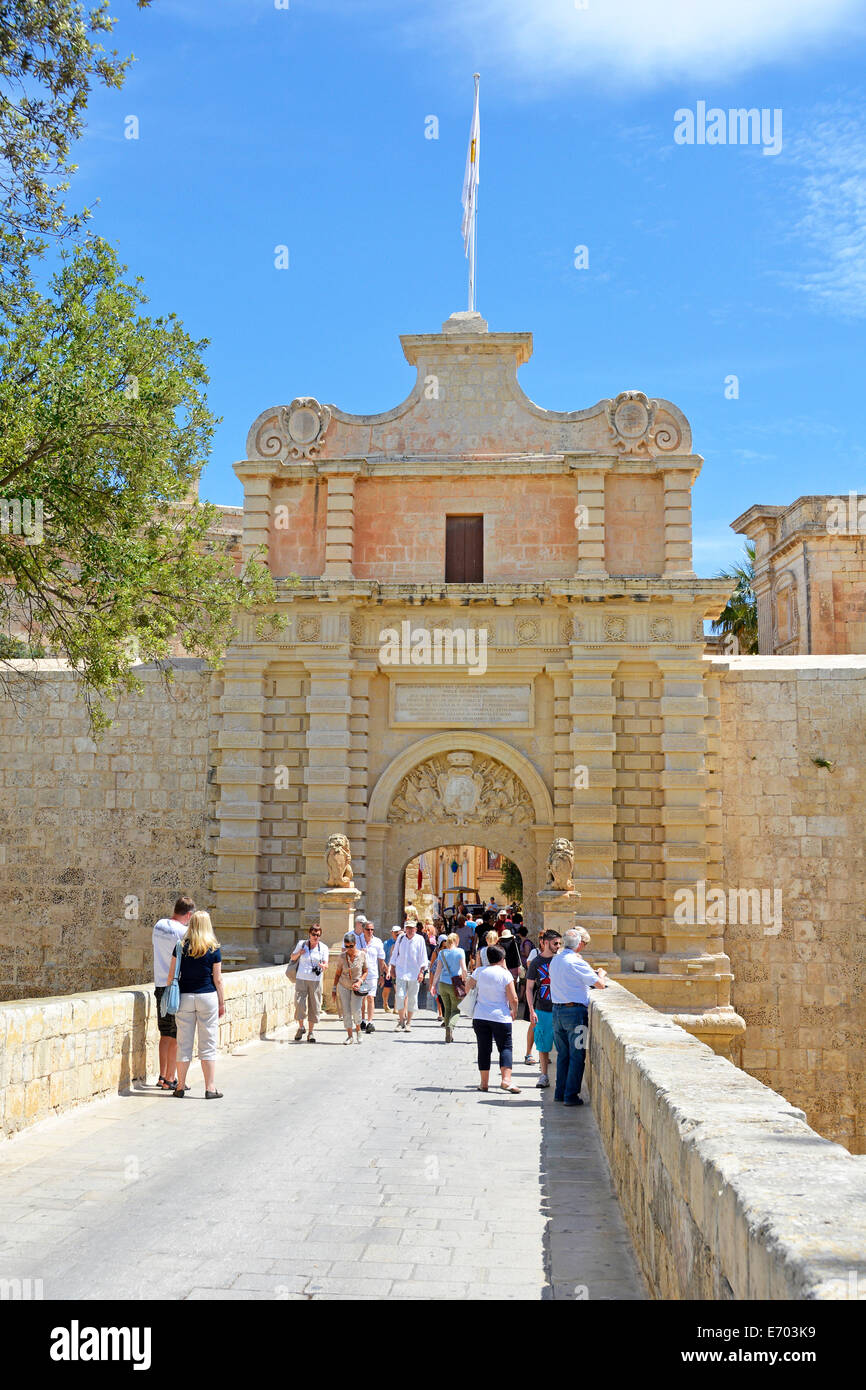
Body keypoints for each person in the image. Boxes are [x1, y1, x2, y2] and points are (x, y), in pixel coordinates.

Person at [168, 909, 225, 1099]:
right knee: (208, 1043)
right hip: (207, 997)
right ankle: (210, 1088)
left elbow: (171, 976)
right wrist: (221, 1002)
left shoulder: (180, 946)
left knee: (184, 1043)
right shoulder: (213, 948)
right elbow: (218, 980)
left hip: (184, 997)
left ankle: (180, 1086)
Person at [548, 927, 608, 1106]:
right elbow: (599, 985)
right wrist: (602, 975)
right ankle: (571, 1095)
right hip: (575, 1014)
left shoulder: (555, 960)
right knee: (577, 1055)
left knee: (563, 1055)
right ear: (579, 945)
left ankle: (560, 1092)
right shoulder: (576, 962)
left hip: (557, 1012)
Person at [151, 895, 195, 1090]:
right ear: (189, 914)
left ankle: (162, 1076)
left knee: (164, 1034)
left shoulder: (159, 925)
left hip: (160, 984)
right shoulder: (183, 932)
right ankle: (170, 1078)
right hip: (175, 987)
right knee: (176, 1034)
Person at [467, 945, 519, 1093]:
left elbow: (467, 989)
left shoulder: (479, 972)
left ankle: (484, 1083)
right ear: (502, 958)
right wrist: (514, 1010)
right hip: (500, 1016)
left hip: (480, 1015)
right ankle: (506, 1080)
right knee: (505, 1047)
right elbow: (513, 997)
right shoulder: (505, 974)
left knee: (483, 1049)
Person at [525, 930, 561, 1086]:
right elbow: (529, 988)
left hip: (560, 1008)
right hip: (543, 1008)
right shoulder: (536, 962)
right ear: (546, 943)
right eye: (555, 943)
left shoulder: (560, 960)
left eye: (560, 943)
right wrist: (531, 1010)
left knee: (562, 1046)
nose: (558, 946)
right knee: (543, 1044)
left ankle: (560, 1078)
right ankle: (544, 1075)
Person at [387, 918, 429, 1032]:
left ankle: (409, 1022)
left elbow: (423, 957)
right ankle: (401, 1021)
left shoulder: (419, 939)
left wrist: (421, 972)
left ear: (416, 929)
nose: (410, 930)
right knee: (400, 996)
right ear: (405, 929)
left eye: (412, 928)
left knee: (412, 998)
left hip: (414, 974)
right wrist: (391, 968)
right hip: (401, 972)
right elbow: (395, 954)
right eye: (408, 928)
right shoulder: (400, 938)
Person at [288, 923, 328, 1042]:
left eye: (318, 935)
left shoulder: (323, 948)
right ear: (309, 934)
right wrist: (299, 953)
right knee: (299, 1004)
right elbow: (292, 957)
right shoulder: (301, 944)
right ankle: (301, 1027)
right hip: (301, 978)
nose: (316, 937)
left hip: (315, 980)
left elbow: (326, 964)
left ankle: (311, 1032)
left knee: (314, 1006)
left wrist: (323, 966)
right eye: (314, 934)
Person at [430, 931, 467, 1042]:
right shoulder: (460, 951)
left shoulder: (442, 953)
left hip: (442, 984)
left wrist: (433, 985)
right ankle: (450, 1027)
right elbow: (464, 969)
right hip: (454, 985)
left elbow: (438, 970)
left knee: (447, 1009)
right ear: (456, 941)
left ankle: (447, 1030)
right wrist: (465, 980)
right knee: (456, 1010)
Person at [332, 931, 368, 1044]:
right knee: (346, 1012)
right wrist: (334, 989)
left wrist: (360, 981)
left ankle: (358, 1030)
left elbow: (366, 971)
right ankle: (349, 1036)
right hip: (344, 986)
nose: (349, 949)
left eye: (351, 946)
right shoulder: (342, 957)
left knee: (356, 1010)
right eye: (346, 946)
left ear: (355, 943)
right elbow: (337, 973)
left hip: (356, 987)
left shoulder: (362, 955)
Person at [359, 920, 385, 1033]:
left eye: (372, 929)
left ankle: (370, 1022)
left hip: (373, 974)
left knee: (370, 997)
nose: (370, 932)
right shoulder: (357, 941)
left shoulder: (378, 942)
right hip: (360, 975)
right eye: (368, 929)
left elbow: (381, 960)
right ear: (363, 930)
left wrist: (382, 975)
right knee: (361, 998)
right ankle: (362, 1020)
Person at [382, 926, 401, 1013]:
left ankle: (396, 1008)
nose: (397, 933)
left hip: (398, 970)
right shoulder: (387, 943)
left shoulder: (402, 942)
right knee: (387, 988)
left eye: (398, 932)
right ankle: (385, 1003)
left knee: (397, 988)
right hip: (388, 968)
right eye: (395, 932)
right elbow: (383, 957)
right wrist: (385, 968)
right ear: (392, 932)